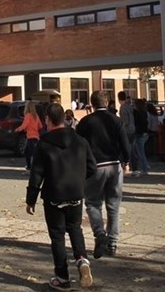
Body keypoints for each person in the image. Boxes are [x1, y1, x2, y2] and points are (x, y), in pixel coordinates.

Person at [26, 103, 97, 290]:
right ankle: (82, 260)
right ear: (65, 118)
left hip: (53, 194)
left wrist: (30, 199)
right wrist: (79, 179)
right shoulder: (80, 140)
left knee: (57, 236)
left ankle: (62, 277)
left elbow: (36, 174)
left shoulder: (44, 143)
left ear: (48, 119)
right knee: (75, 228)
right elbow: (92, 167)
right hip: (75, 192)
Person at [75, 90, 131, 259]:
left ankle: (100, 233)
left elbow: (78, 146)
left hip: (94, 166)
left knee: (92, 203)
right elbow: (124, 143)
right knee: (114, 205)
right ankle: (113, 243)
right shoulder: (116, 120)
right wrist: (126, 161)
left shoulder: (85, 122)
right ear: (107, 102)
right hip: (114, 165)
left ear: (92, 103)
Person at [16, 100, 43, 175]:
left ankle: (30, 169)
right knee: (32, 153)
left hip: (30, 137)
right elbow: (40, 126)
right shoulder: (36, 116)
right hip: (36, 137)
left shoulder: (28, 115)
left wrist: (18, 129)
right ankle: (31, 168)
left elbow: (24, 125)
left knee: (28, 154)